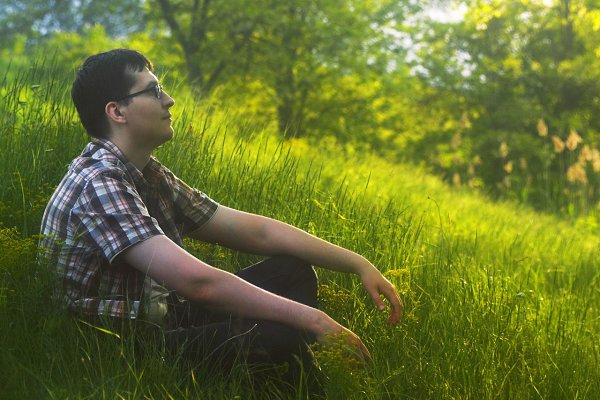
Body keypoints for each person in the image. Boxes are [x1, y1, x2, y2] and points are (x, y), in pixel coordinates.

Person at [39, 49, 402, 378]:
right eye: (153, 91)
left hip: (159, 316)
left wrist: (358, 263)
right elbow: (200, 284)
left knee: (291, 273)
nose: (169, 99)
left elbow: (257, 232)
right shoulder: (100, 183)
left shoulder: (145, 172)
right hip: (115, 350)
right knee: (282, 332)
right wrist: (315, 320)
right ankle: (298, 372)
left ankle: (288, 376)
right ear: (117, 111)